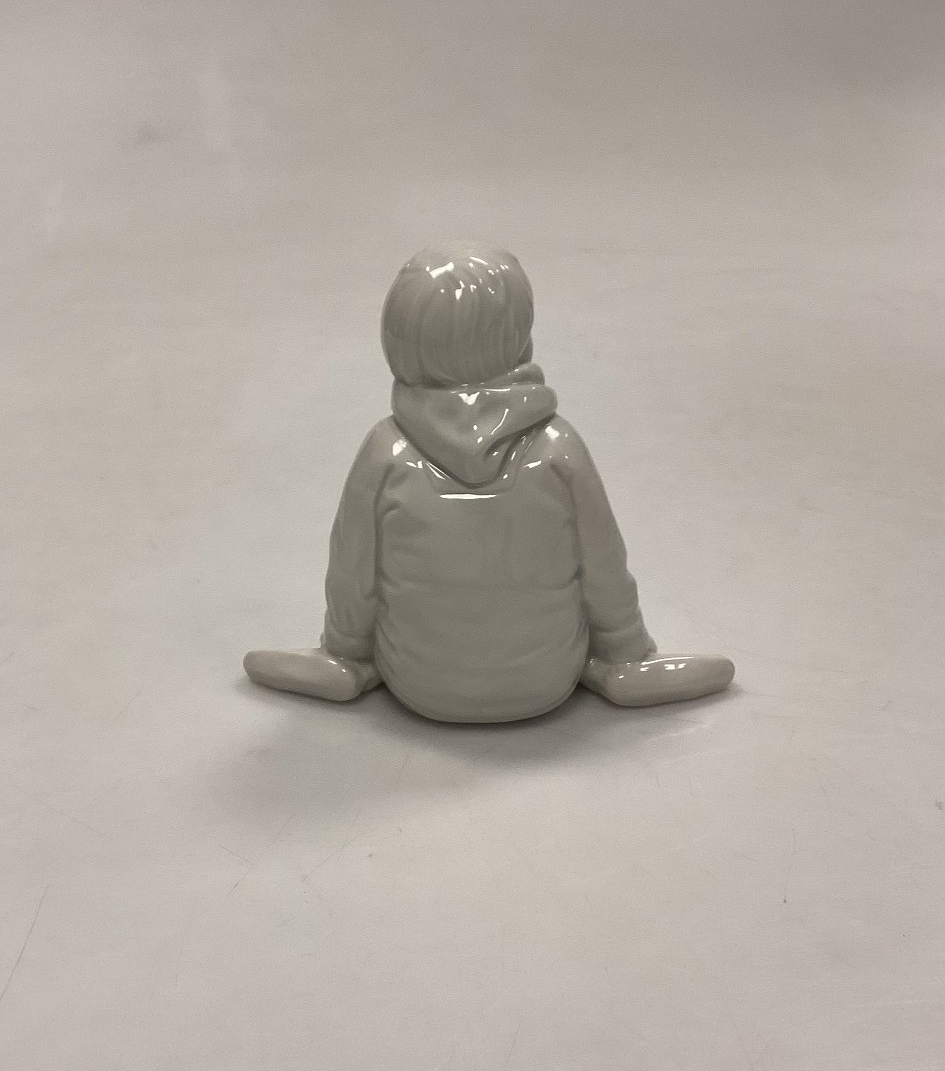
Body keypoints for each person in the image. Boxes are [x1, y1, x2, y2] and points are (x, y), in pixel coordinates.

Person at [244, 242, 734, 723]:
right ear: (519, 339)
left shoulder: (384, 452)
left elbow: (353, 574)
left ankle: (344, 666)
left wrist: (346, 646)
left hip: (418, 684)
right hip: (549, 679)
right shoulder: (559, 447)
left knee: (360, 624)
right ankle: (624, 668)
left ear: (397, 344)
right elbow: (603, 567)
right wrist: (624, 646)